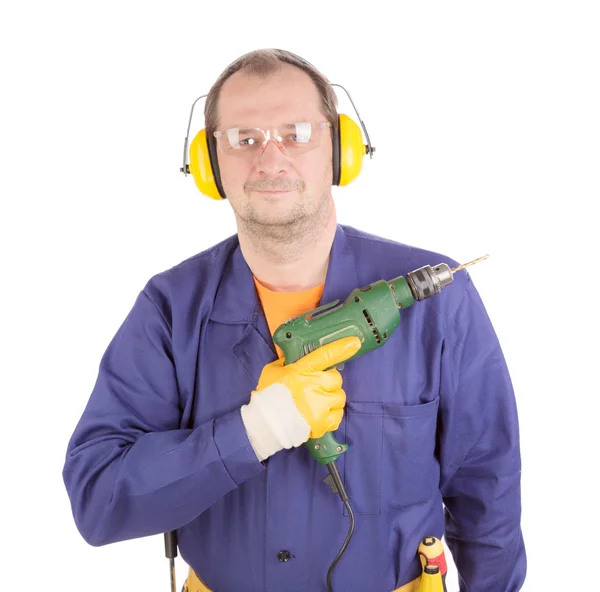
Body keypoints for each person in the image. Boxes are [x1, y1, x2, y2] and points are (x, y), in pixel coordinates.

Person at [62, 48, 526, 592]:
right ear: (210, 165)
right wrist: (254, 431)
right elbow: (97, 498)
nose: (270, 157)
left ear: (341, 151)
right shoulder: (170, 309)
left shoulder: (438, 299)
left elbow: (488, 493)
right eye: (244, 139)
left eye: (297, 131)